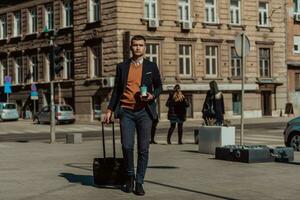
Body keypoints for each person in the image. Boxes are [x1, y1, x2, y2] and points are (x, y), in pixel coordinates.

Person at [104, 35, 162, 196]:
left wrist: (152, 96)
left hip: (145, 112)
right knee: (127, 146)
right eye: (135, 45)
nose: (138, 48)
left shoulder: (151, 66)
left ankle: (139, 182)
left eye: (141, 45)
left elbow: (159, 87)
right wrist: (110, 109)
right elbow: (117, 90)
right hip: (126, 111)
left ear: (145, 48)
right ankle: (129, 176)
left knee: (143, 149)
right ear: (131, 47)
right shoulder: (122, 66)